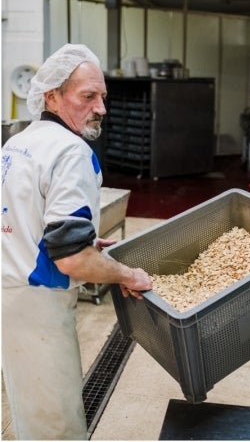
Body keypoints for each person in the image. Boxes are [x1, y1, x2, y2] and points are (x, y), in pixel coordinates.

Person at [1, 44, 153, 440]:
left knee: (30, 412)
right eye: (87, 97)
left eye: (102, 96)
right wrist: (127, 274)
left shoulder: (21, 141)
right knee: (56, 425)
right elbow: (70, 258)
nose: (100, 108)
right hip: (40, 307)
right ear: (52, 96)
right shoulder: (71, 152)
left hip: (10, 296)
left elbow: (25, 219)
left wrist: (82, 245)